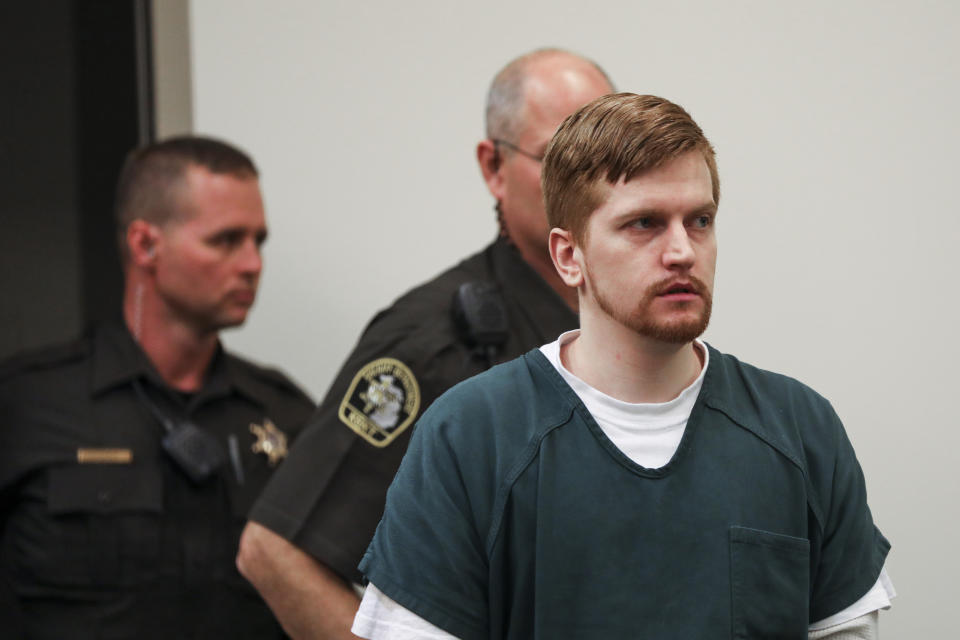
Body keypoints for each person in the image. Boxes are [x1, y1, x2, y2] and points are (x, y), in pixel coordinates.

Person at [352, 94, 895, 639]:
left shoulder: (801, 430)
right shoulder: (469, 436)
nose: (682, 250)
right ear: (570, 256)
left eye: (700, 220)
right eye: (644, 223)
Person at [236, 48, 614, 638]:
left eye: (607, 156)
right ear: (493, 166)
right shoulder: (434, 343)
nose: (591, 183)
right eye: (558, 158)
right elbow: (276, 554)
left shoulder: (628, 330)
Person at [0, 136, 315, 639]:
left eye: (259, 241)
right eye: (226, 240)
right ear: (145, 244)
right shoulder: (29, 404)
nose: (253, 263)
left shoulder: (284, 414)